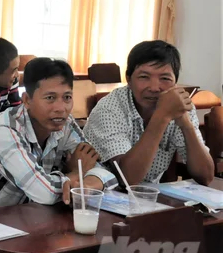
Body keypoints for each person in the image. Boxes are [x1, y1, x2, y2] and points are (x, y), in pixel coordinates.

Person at [0, 57, 116, 210]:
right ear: (26, 100)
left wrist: (87, 186)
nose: (60, 108)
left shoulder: (65, 124)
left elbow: (106, 173)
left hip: (26, 219)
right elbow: (45, 193)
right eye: (50, 98)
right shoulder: (5, 129)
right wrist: (74, 174)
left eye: (67, 97)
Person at [84, 40, 214, 185]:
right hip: (100, 195)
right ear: (129, 80)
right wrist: (162, 116)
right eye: (144, 77)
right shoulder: (109, 109)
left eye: (165, 78)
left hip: (147, 198)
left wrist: (186, 124)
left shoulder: (178, 105)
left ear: (175, 83)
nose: (154, 87)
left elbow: (206, 176)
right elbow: (127, 179)